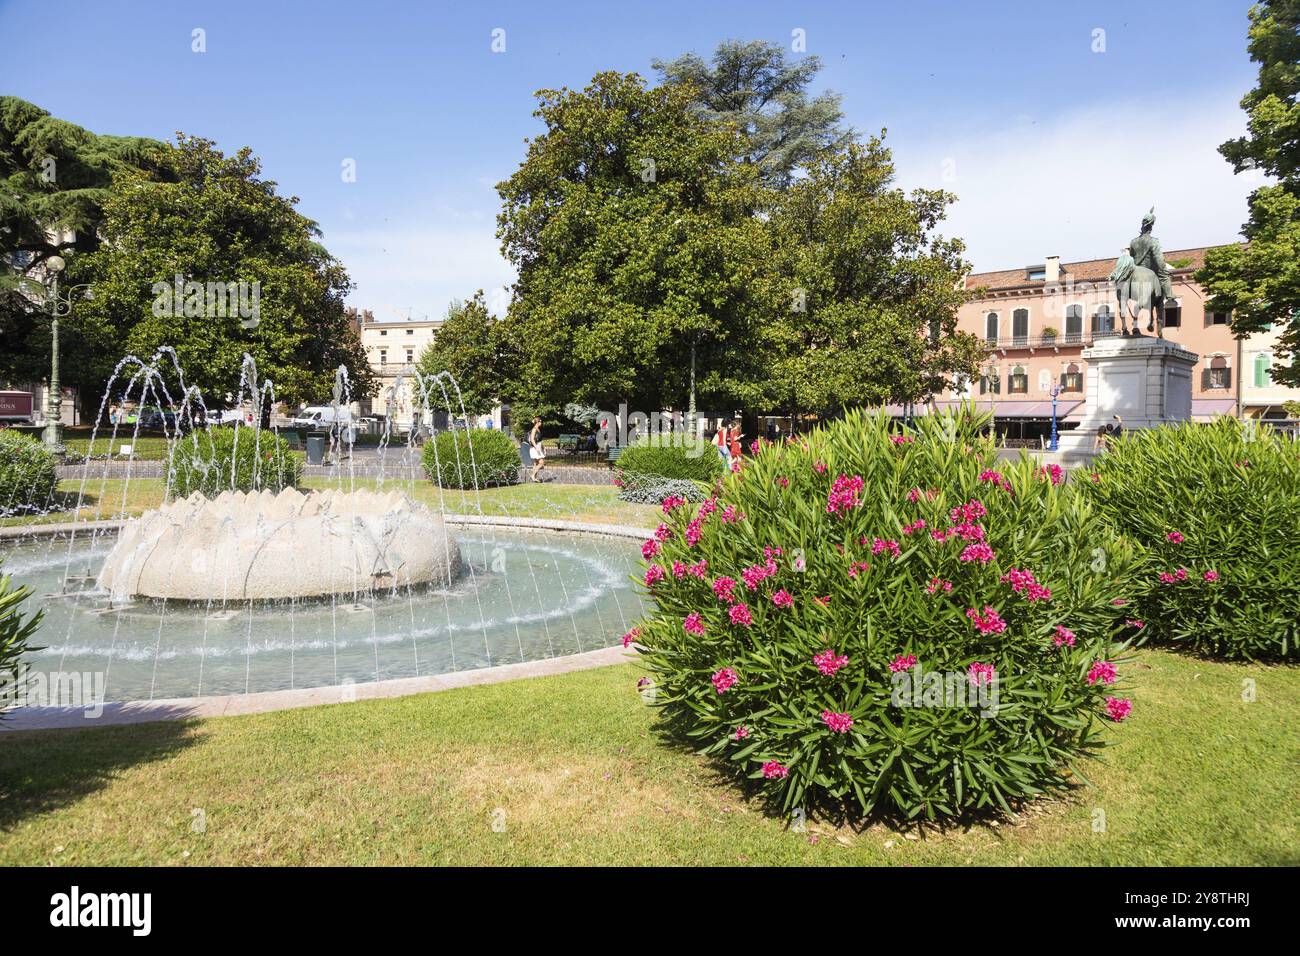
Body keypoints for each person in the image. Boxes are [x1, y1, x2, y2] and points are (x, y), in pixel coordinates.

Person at [529, 417, 546, 482]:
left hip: (538, 447)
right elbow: (532, 439)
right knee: (541, 463)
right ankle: (533, 475)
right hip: (535, 448)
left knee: (536, 463)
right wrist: (536, 447)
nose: (541, 423)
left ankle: (535, 478)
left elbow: (540, 441)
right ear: (537, 422)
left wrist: (543, 448)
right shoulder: (534, 429)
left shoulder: (538, 429)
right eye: (540, 422)